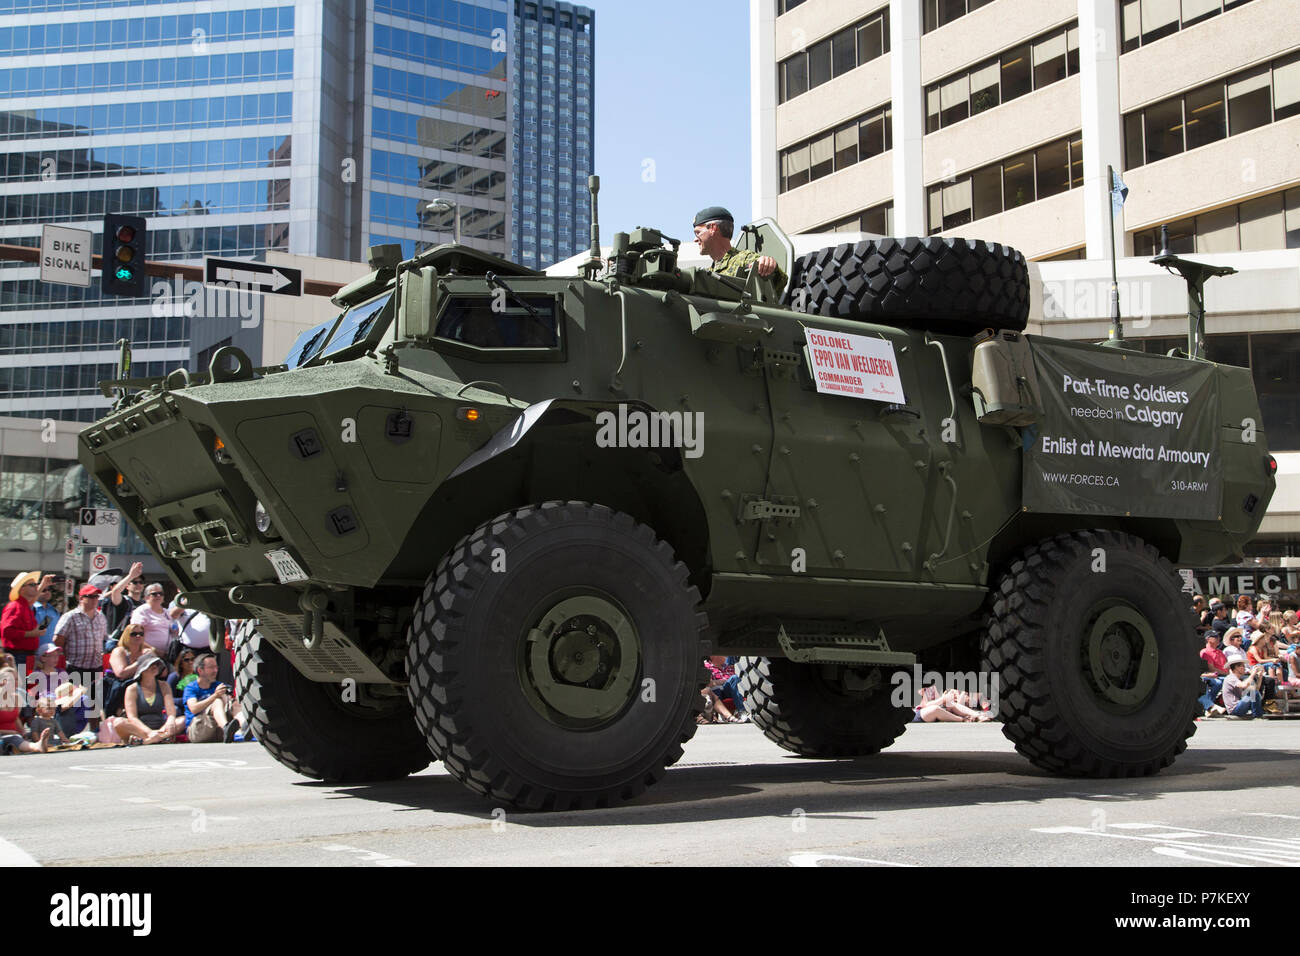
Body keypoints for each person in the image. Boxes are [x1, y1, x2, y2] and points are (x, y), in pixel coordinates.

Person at [692, 207, 787, 290]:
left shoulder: (744, 259)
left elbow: (780, 281)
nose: (695, 239)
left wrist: (768, 265)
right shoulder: (706, 273)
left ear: (712, 228)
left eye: (698, 233)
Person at [113, 654, 184, 745]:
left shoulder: (164, 686)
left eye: (156, 664)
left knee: (182, 720)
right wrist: (149, 732)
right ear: (142, 670)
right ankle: (157, 738)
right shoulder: (132, 689)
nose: (154, 667)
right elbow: (132, 718)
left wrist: (170, 720)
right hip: (139, 728)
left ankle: (148, 740)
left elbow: (171, 712)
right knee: (118, 723)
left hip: (161, 727)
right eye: (150, 665)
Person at [183, 652, 242, 743]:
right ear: (200, 670)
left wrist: (228, 698)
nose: (215, 670)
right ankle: (226, 728)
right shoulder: (191, 688)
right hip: (198, 728)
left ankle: (245, 727)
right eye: (211, 667)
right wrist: (215, 696)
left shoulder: (218, 685)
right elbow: (194, 708)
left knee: (235, 703)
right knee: (217, 701)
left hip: (215, 729)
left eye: (216, 667)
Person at [2, 572, 56, 669]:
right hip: (18, 657)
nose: (36, 587)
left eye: (36, 584)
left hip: (26, 657)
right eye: (32, 585)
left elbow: (33, 600)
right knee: (21, 683)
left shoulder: (25, 606)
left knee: (26, 683)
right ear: (21, 589)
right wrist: (31, 633)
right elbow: (6, 632)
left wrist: (44, 584)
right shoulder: (15, 607)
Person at [54, 584, 108, 678]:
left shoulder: (101, 617)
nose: (95, 599)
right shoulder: (70, 616)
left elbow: (104, 638)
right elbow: (58, 639)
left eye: (96, 596)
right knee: (77, 693)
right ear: (81, 598)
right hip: (76, 668)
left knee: (96, 693)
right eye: (91, 596)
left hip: (97, 668)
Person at [0, 666, 50, 754]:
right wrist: (9, 732)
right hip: (6, 735)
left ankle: (38, 745)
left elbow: (16, 719)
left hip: (14, 736)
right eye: (12, 680)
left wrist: (23, 733)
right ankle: (36, 746)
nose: (17, 683)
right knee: (13, 739)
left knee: (21, 737)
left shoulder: (16, 698)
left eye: (17, 679)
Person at [130, 583, 182, 655]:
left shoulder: (166, 612)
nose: (158, 596)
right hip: (147, 653)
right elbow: (134, 635)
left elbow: (174, 629)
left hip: (167, 654)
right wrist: (154, 650)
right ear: (146, 597)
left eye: (161, 593)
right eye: (154, 594)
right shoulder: (142, 611)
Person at [99, 562, 145, 640]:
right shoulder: (124, 601)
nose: (138, 585)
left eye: (141, 582)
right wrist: (131, 576)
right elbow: (115, 592)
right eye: (135, 582)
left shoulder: (144, 605)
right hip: (120, 643)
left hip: (138, 642)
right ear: (127, 586)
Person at [1198, 632, 1229, 716]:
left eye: (1218, 637)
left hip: (1221, 675)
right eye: (1215, 637)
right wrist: (1226, 673)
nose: (1218, 638)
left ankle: (1210, 707)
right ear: (1208, 639)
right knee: (1219, 682)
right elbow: (1211, 668)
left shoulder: (1220, 652)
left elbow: (1227, 666)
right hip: (1210, 675)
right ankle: (1210, 706)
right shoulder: (1205, 652)